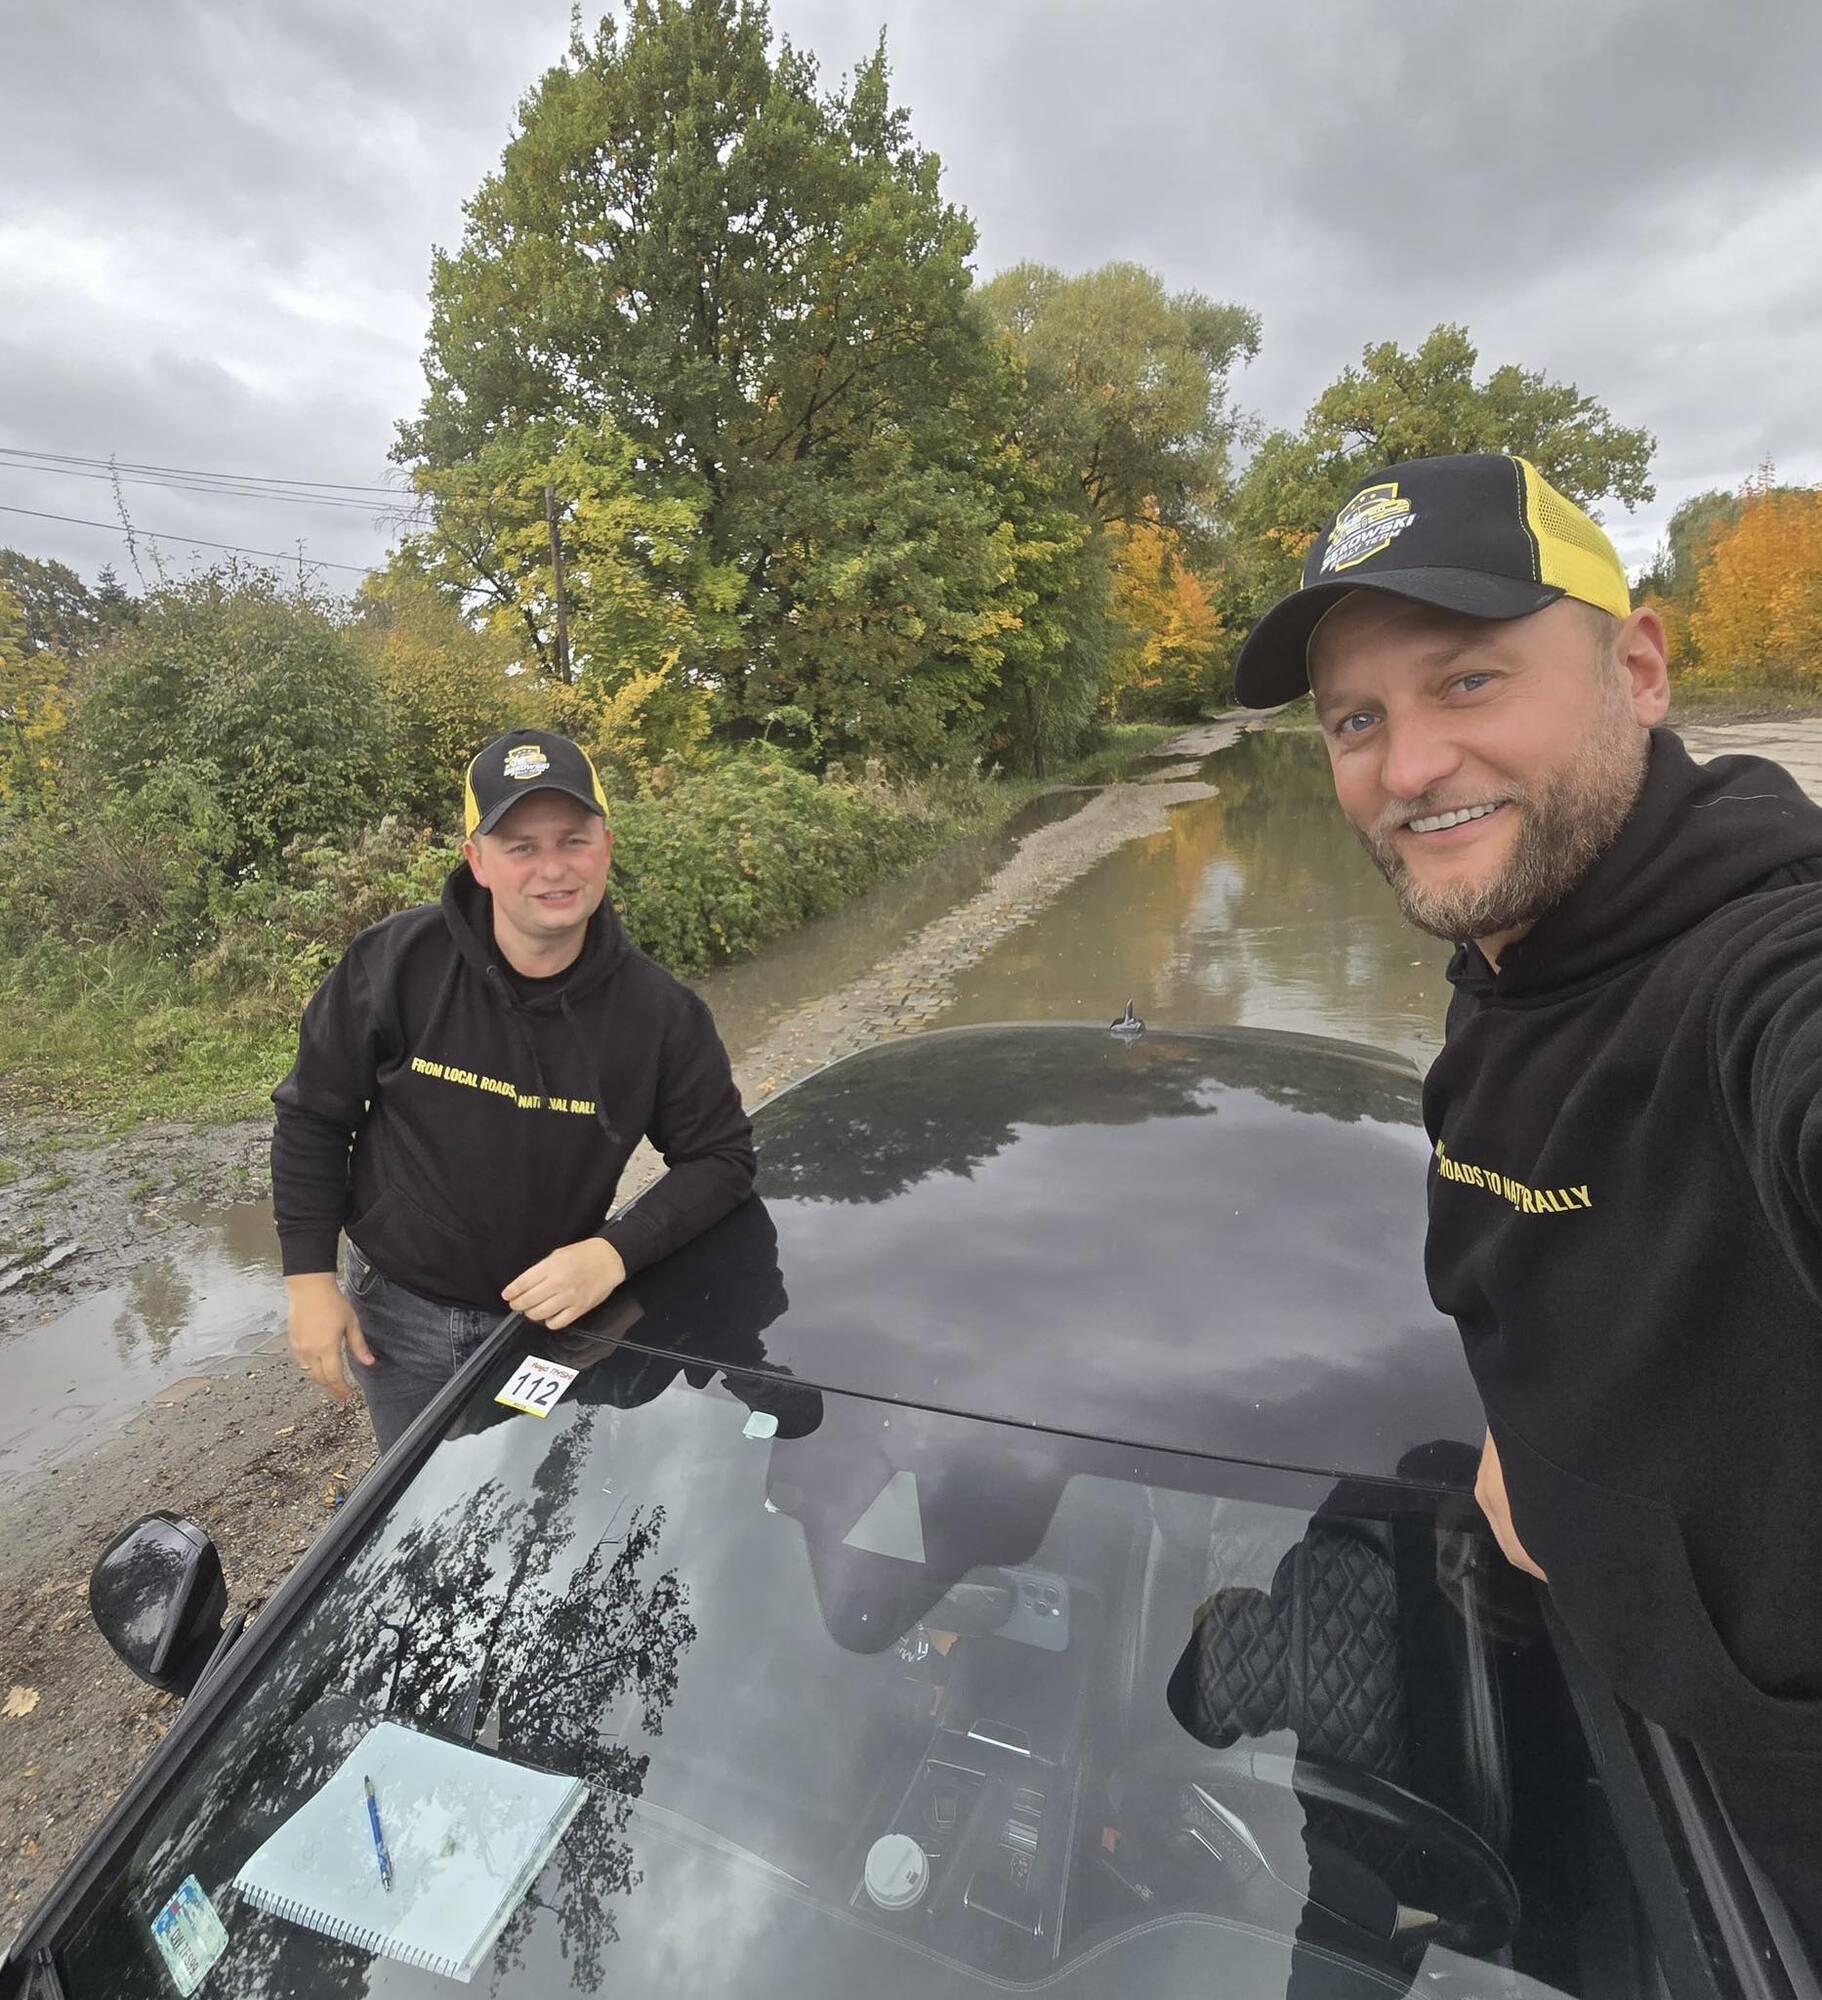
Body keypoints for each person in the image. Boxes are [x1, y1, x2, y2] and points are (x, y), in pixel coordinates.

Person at [1233, 454, 1822, 1945]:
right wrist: (1538, 1439)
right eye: (1356, 719)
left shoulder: (1746, 971)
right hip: (1611, 1741)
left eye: (1468, 680)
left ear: (1639, 671)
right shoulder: (1514, 952)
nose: (1407, 766)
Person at [272, 726, 756, 1452]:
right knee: (421, 1497)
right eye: (521, 846)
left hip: (555, 1320)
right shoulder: (395, 963)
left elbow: (721, 1160)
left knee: (536, 1481)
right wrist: (308, 1278)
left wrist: (613, 1254)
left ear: (606, 847)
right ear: (477, 860)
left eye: (572, 840)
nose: (552, 869)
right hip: (397, 1313)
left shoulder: (661, 1015)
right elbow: (313, 1114)